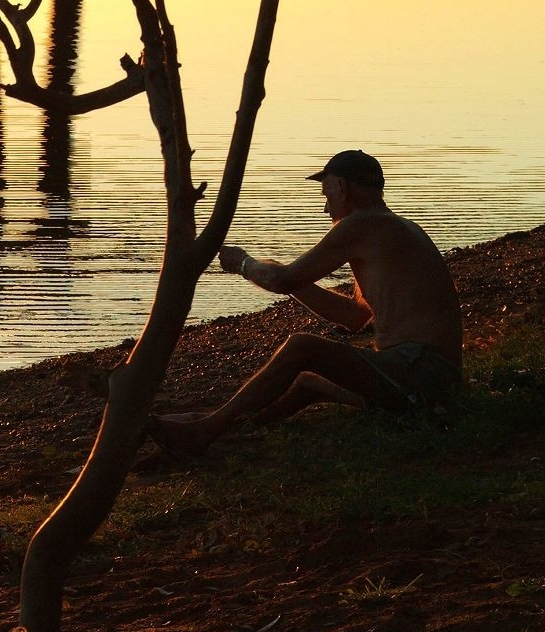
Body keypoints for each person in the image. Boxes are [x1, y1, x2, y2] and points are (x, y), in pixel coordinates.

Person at [152, 149, 463, 458]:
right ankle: (222, 425)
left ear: (342, 187)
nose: (325, 207)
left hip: (422, 377)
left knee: (302, 347)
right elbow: (353, 315)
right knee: (306, 384)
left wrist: (245, 264)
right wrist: (288, 279)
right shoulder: (389, 228)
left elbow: (281, 280)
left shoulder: (363, 224)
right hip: (425, 380)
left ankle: (200, 434)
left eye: (326, 193)